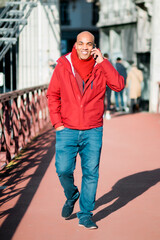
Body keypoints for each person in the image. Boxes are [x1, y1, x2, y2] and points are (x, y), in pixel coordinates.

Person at [47, 31, 124, 229]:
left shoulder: (101, 67)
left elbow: (118, 85)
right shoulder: (64, 65)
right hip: (67, 129)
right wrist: (57, 123)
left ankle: (85, 214)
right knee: (63, 169)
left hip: (93, 129)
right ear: (75, 45)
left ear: (94, 47)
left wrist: (104, 62)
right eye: (81, 43)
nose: (84, 47)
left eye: (88, 44)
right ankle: (72, 195)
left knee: (91, 173)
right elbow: (52, 95)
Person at [104, 53, 112, 120]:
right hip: (102, 84)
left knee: (108, 98)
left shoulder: (110, 65)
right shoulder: (100, 64)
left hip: (108, 84)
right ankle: (103, 113)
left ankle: (108, 112)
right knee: (101, 99)